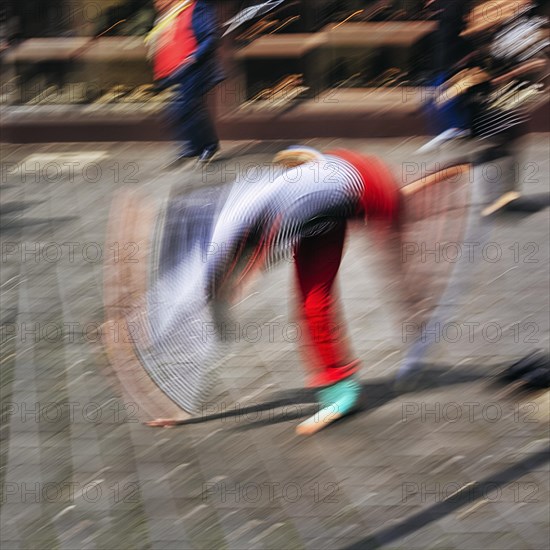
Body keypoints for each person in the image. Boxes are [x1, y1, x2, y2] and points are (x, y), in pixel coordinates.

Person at [142, 146, 402, 434]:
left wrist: (243, 278)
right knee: (312, 303)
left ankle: (344, 392)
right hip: (323, 202)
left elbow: (269, 233)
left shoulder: (237, 220)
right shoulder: (231, 213)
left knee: (391, 258)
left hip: (361, 186)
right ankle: (342, 390)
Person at [146, 0, 224, 163]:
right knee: (185, 110)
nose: (157, 3)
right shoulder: (166, 17)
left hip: (194, 68)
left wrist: (193, 57)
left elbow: (210, 36)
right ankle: (197, 146)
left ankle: (208, 146)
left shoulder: (195, 7)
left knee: (184, 108)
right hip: (175, 72)